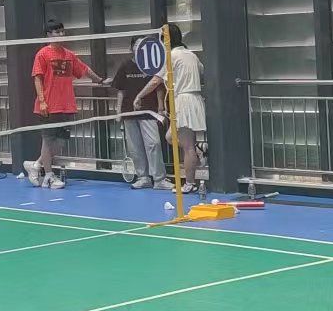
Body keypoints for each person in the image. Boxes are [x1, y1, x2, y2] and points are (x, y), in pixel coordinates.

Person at [29, 19, 107, 189]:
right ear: (49, 35)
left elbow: (84, 70)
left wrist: (100, 80)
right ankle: (49, 176)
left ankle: (36, 165)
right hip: (49, 106)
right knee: (48, 141)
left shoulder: (69, 55)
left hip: (66, 106)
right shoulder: (42, 54)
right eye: (57, 32)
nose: (61, 34)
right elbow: (37, 78)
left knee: (60, 143)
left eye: (62, 31)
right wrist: (42, 101)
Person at [133, 23, 204, 191]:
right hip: (192, 99)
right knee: (170, 137)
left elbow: (156, 80)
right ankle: (199, 150)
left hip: (184, 101)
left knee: (187, 146)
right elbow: (202, 72)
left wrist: (139, 95)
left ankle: (190, 184)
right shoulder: (192, 55)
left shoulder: (171, 56)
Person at [107, 39, 166, 190]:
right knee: (135, 147)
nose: (139, 47)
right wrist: (118, 111)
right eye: (136, 45)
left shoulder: (152, 66)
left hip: (149, 111)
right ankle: (143, 177)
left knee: (154, 144)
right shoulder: (125, 65)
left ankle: (159, 179)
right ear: (131, 48)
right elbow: (121, 90)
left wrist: (160, 106)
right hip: (129, 112)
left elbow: (159, 86)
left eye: (141, 44)